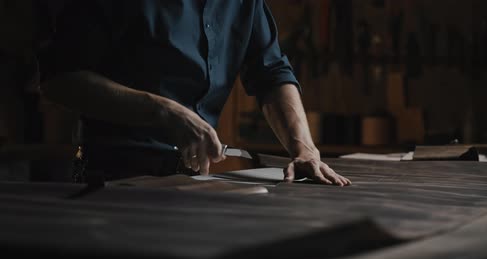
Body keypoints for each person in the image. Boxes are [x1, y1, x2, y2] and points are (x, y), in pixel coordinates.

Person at [39, 0, 351, 186]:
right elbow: (60, 79)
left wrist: (304, 149)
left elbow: (271, 73)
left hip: (189, 183)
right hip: (110, 181)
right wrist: (162, 111)